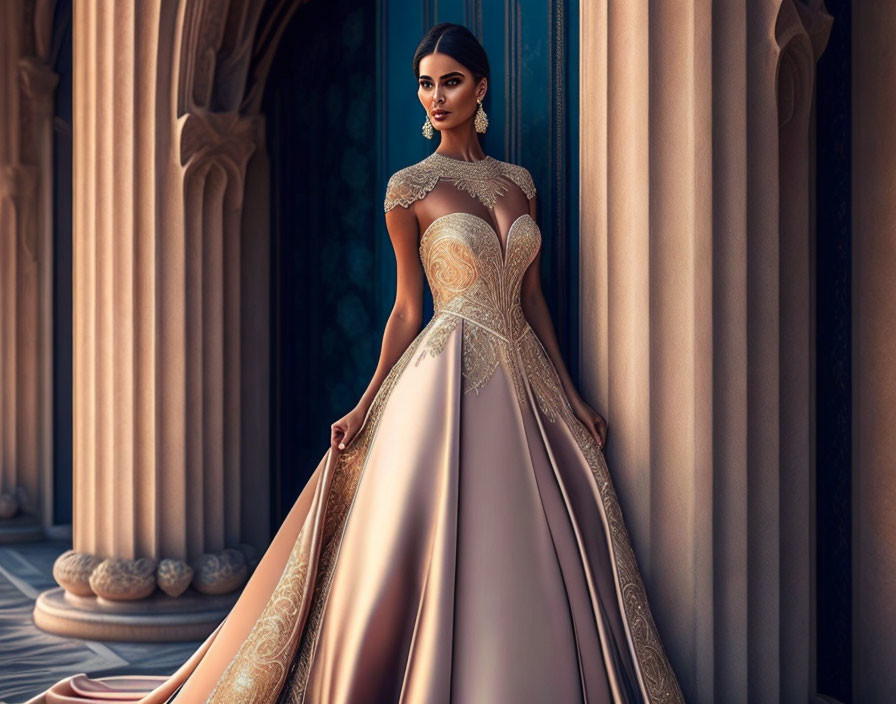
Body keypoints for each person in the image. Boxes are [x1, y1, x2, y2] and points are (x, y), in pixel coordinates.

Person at [25, 21, 685, 704]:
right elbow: (406, 308)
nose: (435, 96)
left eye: (450, 81)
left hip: (529, 377)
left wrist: (573, 397)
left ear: (481, 88)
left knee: (526, 546)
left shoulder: (518, 182)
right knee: (437, 530)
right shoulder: (410, 188)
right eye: (426, 83)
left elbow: (534, 299)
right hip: (445, 374)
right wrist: (365, 402)